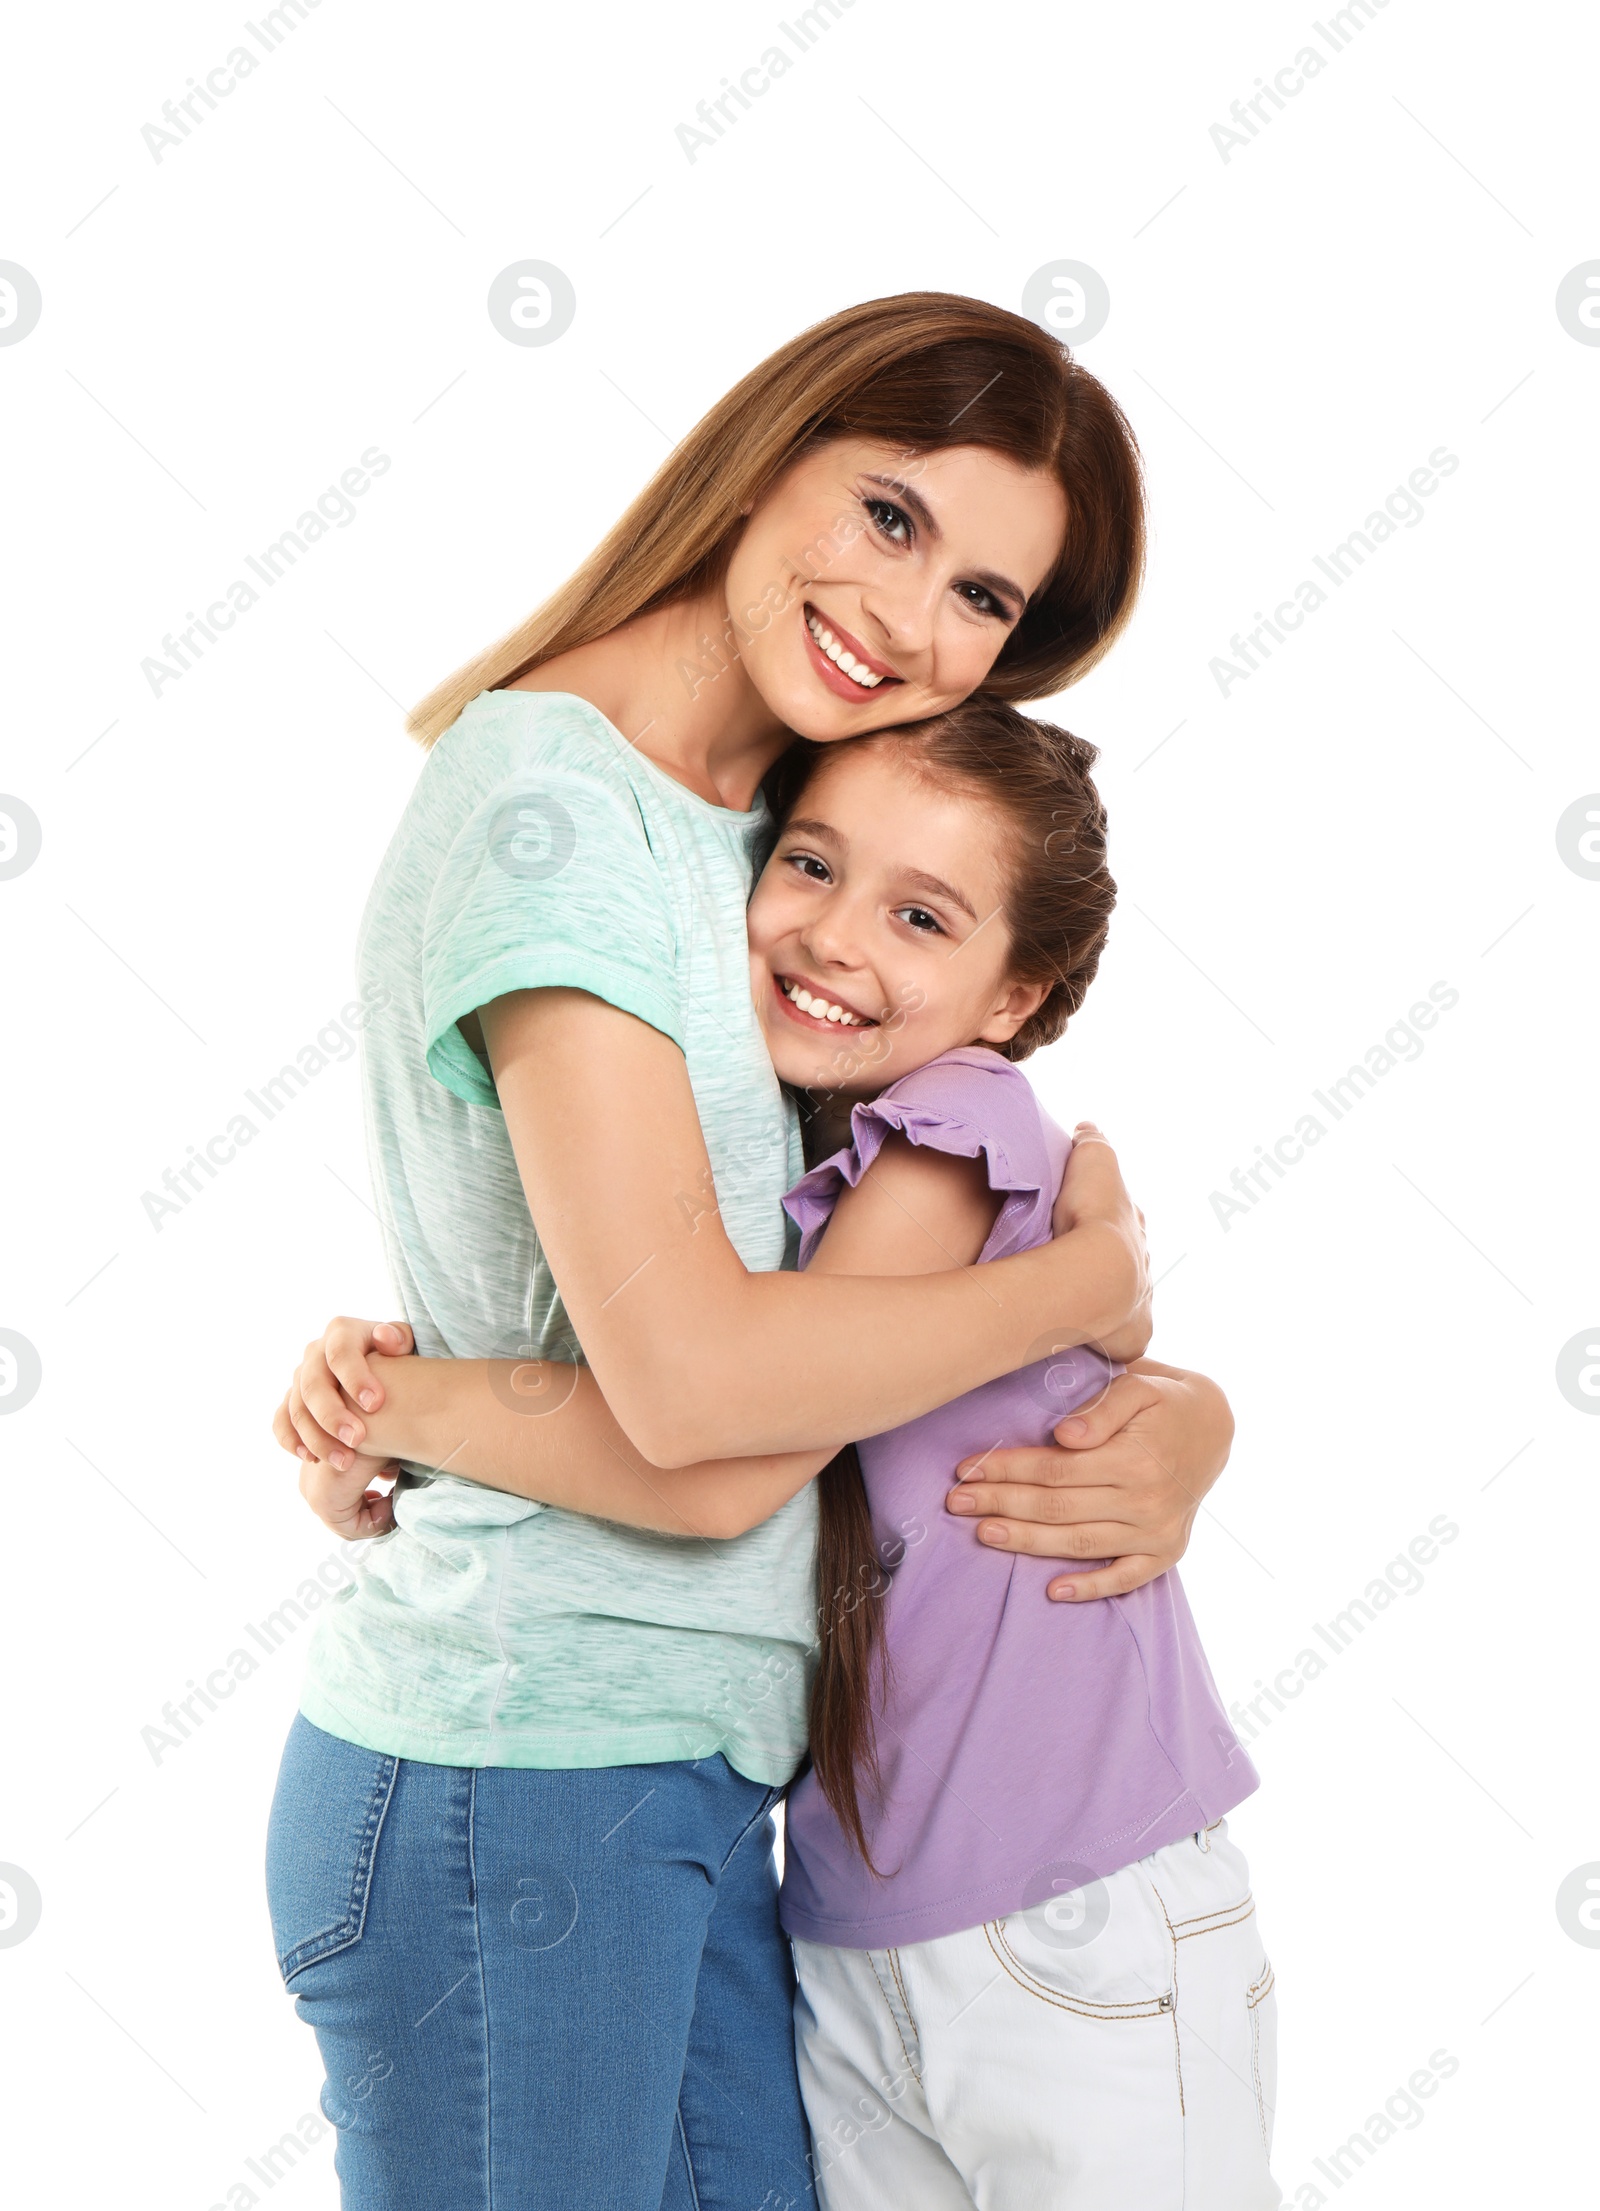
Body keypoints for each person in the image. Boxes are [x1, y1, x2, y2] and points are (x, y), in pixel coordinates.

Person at [265, 292, 1237, 2211]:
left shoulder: (755, 825)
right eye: (890, 516)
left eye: (982, 599)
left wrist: (1174, 1408)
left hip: (698, 1791)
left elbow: (823, 1314)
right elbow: (706, 1402)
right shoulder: (559, 818)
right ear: (770, 444)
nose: (910, 619)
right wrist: (1080, 1290)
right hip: (513, 1773)